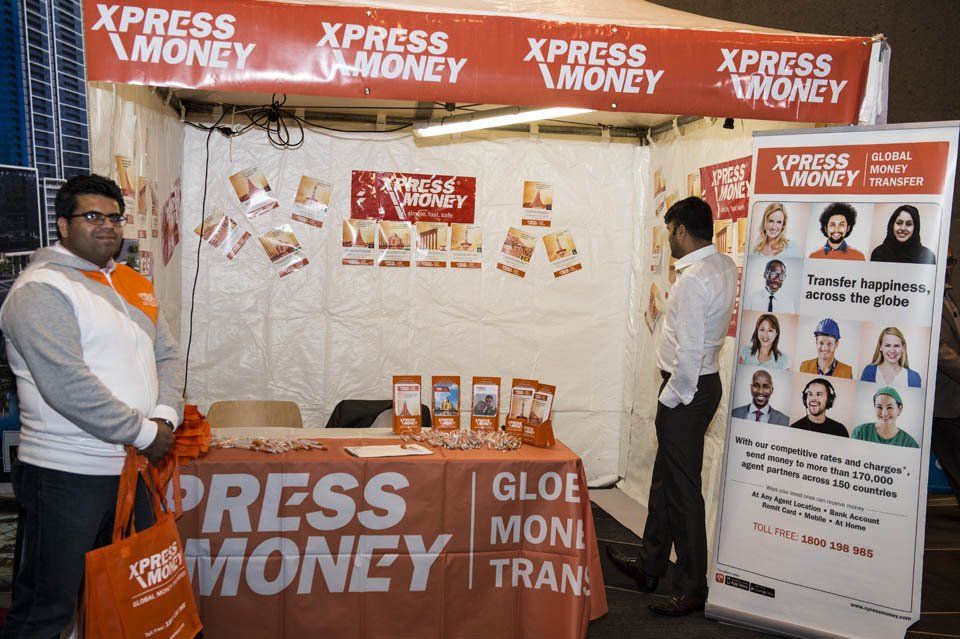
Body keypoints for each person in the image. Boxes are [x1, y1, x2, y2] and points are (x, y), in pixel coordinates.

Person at [0, 174, 181, 638]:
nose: (108, 227)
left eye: (115, 218)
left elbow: (167, 357)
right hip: (66, 477)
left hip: (130, 469)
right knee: (47, 609)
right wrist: (145, 433)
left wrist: (165, 417)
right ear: (63, 225)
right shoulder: (40, 290)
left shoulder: (132, 283)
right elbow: (67, 385)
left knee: (125, 600)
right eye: (93, 216)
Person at [607, 197, 736, 617]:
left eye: (669, 231)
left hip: (688, 389)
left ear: (682, 230)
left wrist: (671, 399)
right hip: (701, 385)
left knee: (683, 494)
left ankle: (692, 585)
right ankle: (650, 566)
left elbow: (690, 354)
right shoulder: (722, 265)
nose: (668, 240)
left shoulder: (694, 280)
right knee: (666, 482)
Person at [934, 251, 960, 506]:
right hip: (941, 403)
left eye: (951, 261)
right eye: (944, 259)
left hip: (951, 399)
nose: (948, 266)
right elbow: (940, 351)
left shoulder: (947, 295)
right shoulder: (931, 297)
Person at [851, 387, 919, 448]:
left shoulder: (909, 443)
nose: (884, 413)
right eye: (879, 407)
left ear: (899, 409)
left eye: (889, 407)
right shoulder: (860, 433)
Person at [870, 205, 936, 264]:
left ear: (915, 228)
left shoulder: (927, 256)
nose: (903, 228)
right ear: (892, 225)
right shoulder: (879, 253)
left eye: (909, 224)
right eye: (899, 223)